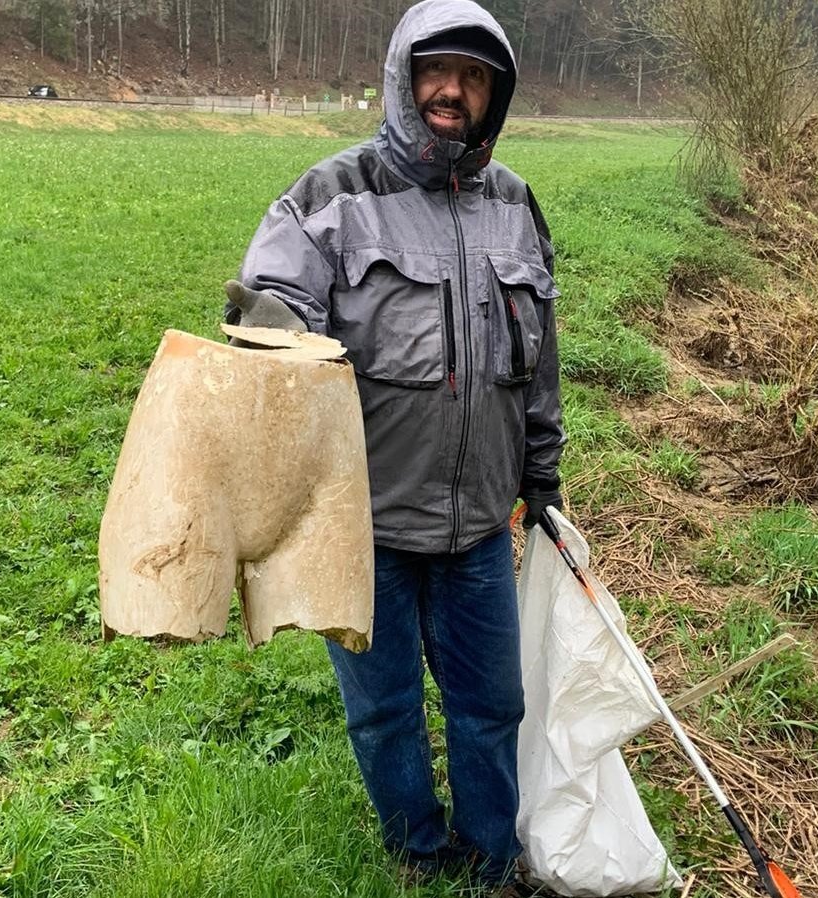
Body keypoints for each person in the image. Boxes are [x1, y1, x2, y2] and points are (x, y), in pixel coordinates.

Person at [226, 0, 564, 892]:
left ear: (495, 93)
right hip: (362, 527)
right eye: (437, 71)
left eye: (475, 75)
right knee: (384, 713)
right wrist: (266, 323)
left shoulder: (516, 205)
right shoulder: (332, 196)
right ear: (404, 79)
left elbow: (539, 364)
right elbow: (274, 305)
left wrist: (546, 473)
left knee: (494, 706)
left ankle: (495, 856)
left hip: (483, 528)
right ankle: (418, 850)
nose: (454, 89)